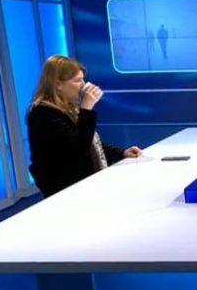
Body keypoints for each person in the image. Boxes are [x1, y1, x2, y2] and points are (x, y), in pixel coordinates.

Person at [27, 55, 142, 198]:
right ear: (58, 85)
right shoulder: (43, 114)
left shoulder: (69, 108)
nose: (83, 85)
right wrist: (86, 108)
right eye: (77, 81)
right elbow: (78, 149)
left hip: (85, 184)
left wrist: (122, 153)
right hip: (66, 192)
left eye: (83, 79)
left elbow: (91, 145)